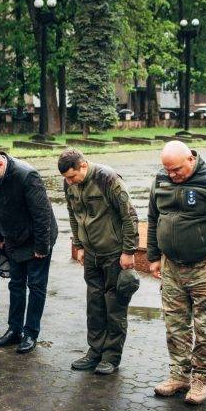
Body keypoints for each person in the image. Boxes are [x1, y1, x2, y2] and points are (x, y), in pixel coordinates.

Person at [146, 140, 206, 405]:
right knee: (175, 325)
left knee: (205, 327)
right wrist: (153, 256)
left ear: (190, 159)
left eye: (176, 170)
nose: (172, 175)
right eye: (168, 170)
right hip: (171, 265)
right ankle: (179, 375)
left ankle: (200, 379)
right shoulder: (161, 178)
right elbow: (154, 218)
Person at [60, 149, 140, 375]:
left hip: (114, 253)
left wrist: (129, 251)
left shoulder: (108, 179)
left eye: (72, 176)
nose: (69, 182)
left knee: (114, 306)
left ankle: (111, 357)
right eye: (66, 178)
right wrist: (79, 245)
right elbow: (72, 214)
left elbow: (129, 215)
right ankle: (94, 352)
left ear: (83, 166)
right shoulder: (70, 184)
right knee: (94, 305)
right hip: (91, 254)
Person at [0, 148, 57, 354]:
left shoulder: (27, 175)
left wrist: (41, 246)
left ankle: (31, 333)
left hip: (36, 238)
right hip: (12, 238)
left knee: (36, 286)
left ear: (0, 164)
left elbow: (42, 214)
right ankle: (14, 330)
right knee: (16, 285)